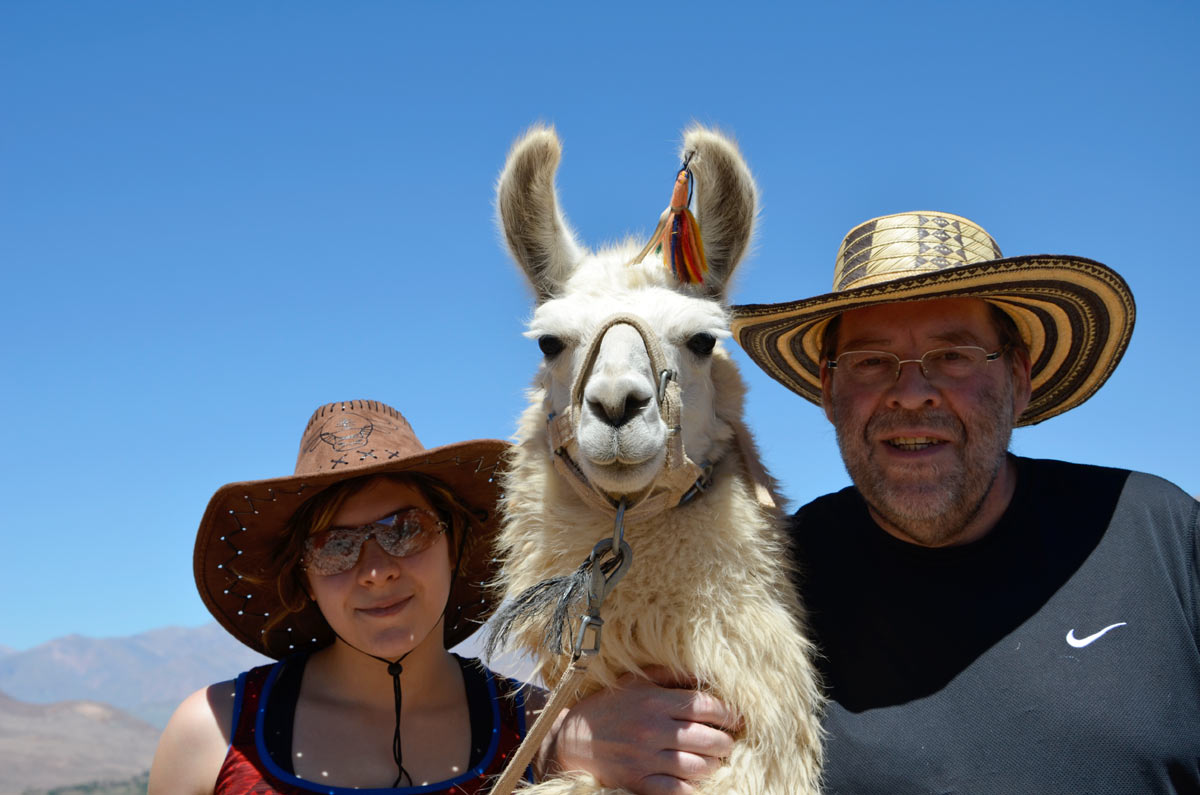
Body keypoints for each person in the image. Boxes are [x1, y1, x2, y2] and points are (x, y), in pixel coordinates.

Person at [551, 211, 1199, 793]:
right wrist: (569, 739)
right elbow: (585, 682)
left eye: (952, 353)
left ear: (1018, 378)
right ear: (829, 392)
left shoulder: (1155, 537)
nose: (911, 391)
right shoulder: (761, 585)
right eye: (870, 360)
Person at [149, 399, 537, 794]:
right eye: (335, 547)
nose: (375, 572)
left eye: (405, 530)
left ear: (454, 546)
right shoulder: (211, 736)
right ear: (305, 581)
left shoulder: (550, 732)